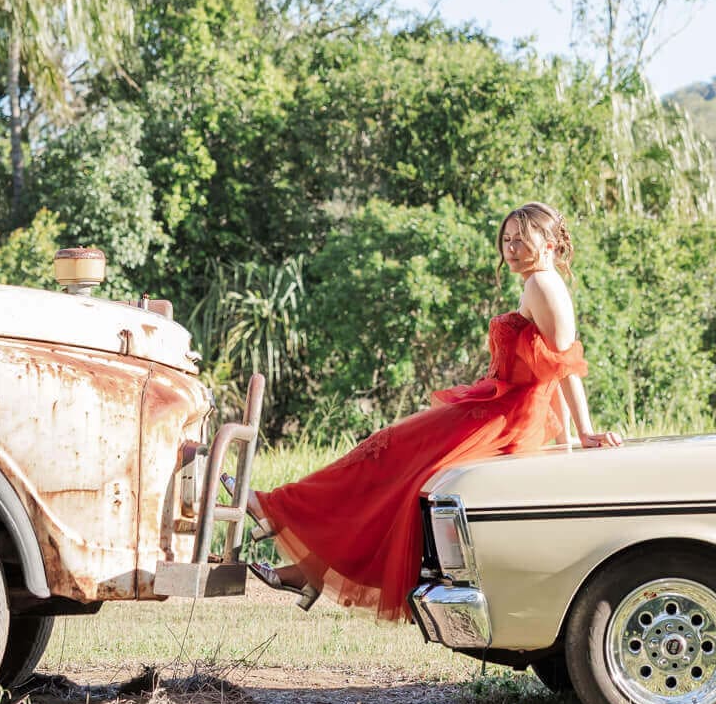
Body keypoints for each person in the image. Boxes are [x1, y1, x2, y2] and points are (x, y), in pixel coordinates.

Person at [236, 201, 621, 619]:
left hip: (500, 418)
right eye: (506, 240)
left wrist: (582, 433)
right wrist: (566, 437)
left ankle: (279, 510)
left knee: (387, 454)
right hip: (501, 411)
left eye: (520, 240)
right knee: (394, 469)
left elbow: (563, 366)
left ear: (548, 243)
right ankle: (309, 565)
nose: (510, 249)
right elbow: (553, 369)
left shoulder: (541, 286)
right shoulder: (542, 283)